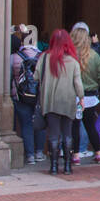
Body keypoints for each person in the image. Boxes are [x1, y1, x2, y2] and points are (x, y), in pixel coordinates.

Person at [36, 28, 83, 175]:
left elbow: (36, 76)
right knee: (67, 134)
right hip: (67, 101)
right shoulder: (73, 61)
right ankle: (68, 167)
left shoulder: (44, 58)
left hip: (50, 101)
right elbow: (78, 84)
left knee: (54, 134)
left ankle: (54, 167)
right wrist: (81, 98)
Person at [70, 22, 100, 165]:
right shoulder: (94, 55)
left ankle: (76, 155)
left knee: (75, 125)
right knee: (90, 125)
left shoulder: (70, 55)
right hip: (90, 96)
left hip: (74, 95)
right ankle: (98, 154)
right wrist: (96, 85)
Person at [10, 33, 44, 164]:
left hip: (20, 96)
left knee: (26, 124)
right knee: (40, 123)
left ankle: (29, 155)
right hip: (38, 96)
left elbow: (8, 77)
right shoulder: (42, 57)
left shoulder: (13, 57)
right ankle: (39, 152)